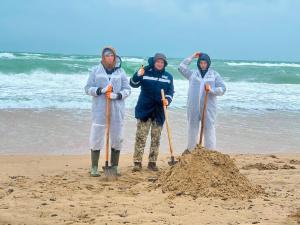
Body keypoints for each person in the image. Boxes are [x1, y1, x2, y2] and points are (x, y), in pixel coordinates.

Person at [85, 47, 131, 176]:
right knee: (96, 137)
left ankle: (114, 166)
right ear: (103, 58)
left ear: (115, 57)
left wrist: (117, 95)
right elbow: (88, 88)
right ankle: (94, 167)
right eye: (107, 56)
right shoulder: (96, 71)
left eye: (112, 56)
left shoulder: (120, 72)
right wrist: (101, 90)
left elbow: (127, 89)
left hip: (117, 111)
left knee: (117, 137)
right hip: (100, 110)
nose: (110, 58)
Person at [130, 53, 174, 171]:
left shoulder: (168, 77)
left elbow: (170, 92)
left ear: (164, 64)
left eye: (162, 62)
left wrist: (167, 100)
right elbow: (133, 84)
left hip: (159, 111)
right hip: (144, 110)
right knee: (141, 137)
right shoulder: (145, 73)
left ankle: (152, 162)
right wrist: (138, 74)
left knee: (156, 139)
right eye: (158, 62)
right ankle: (137, 162)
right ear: (154, 62)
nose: (160, 64)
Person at [178, 52, 226, 154]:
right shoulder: (193, 74)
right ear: (198, 63)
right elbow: (181, 68)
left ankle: (210, 153)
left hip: (208, 108)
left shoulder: (214, 75)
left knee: (209, 129)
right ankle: (190, 151)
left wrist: (212, 90)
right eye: (201, 63)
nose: (203, 65)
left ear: (208, 63)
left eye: (205, 63)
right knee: (192, 129)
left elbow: (223, 89)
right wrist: (191, 57)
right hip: (193, 107)